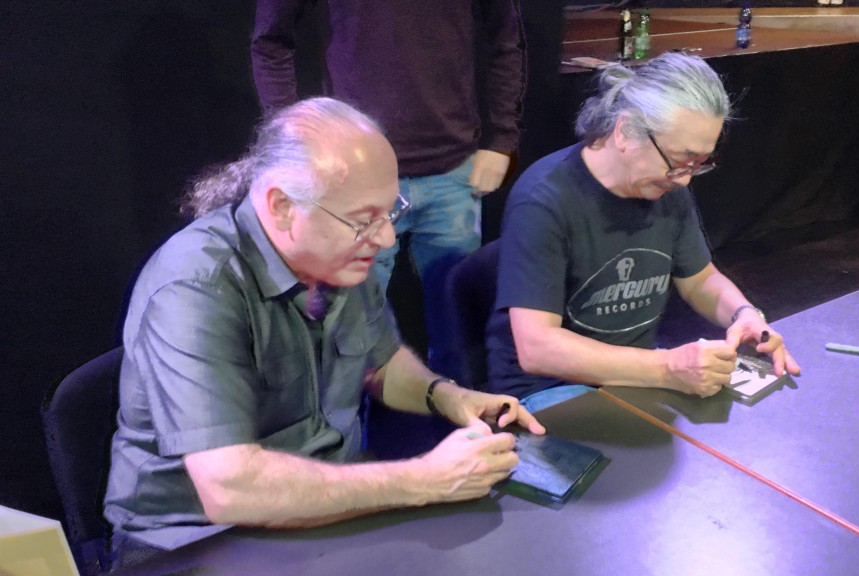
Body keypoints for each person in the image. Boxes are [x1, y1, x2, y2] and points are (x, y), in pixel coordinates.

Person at [104, 98, 544, 567]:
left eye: (389, 212)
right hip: (197, 540)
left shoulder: (338, 258)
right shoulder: (194, 288)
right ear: (282, 207)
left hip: (320, 505)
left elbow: (381, 364)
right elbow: (229, 488)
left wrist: (447, 396)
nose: (385, 238)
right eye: (364, 220)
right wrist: (426, 479)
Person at [485, 53, 801, 412]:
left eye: (699, 164)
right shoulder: (545, 200)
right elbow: (537, 349)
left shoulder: (667, 188)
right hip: (550, 390)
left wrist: (744, 314)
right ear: (625, 131)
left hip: (636, 372)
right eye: (679, 161)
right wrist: (667, 368)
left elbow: (700, 280)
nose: (685, 179)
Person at [251, 0, 525, 373]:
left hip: (452, 170)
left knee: (459, 336)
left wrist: (503, 139)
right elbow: (270, 42)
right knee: (349, 339)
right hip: (356, 180)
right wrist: (297, 142)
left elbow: (505, 37)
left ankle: (455, 406)